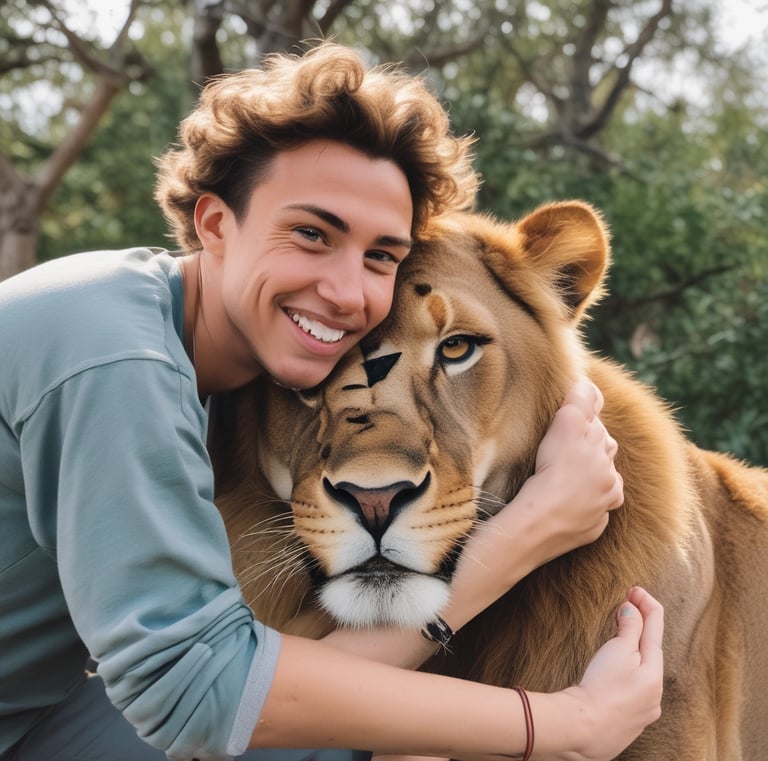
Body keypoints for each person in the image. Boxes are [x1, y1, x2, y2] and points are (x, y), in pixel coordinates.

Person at [0, 41, 663, 761]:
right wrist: (564, 720)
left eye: (380, 254)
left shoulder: (236, 368)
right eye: (312, 234)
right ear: (216, 224)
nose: (349, 293)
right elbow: (204, 693)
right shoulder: (111, 352)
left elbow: (245, 681)